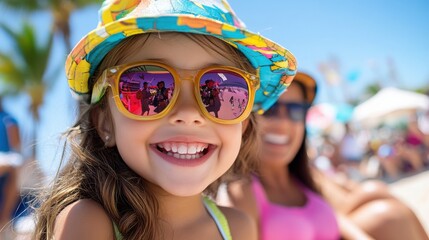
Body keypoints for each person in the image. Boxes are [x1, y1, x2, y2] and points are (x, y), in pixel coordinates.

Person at [32, 0, 297, 239]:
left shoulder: (239, 227)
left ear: (243, 125)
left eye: (216, 88)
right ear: (105, 124)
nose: (188, 114)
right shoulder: (88, 221)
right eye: (146, 86)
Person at [221, 72, 429, 240]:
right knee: (386, 214)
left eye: (295, 110)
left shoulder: (303, 178)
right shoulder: (241, 188)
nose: (283, 122)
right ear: (246, 120)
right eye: (269, 109)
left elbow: (340, 222)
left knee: (384, 205)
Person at [0, 97, 22, 234]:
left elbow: (16, 148)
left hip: (7, 159)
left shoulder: (9, 119)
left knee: (15, 165)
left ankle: (4, 217)